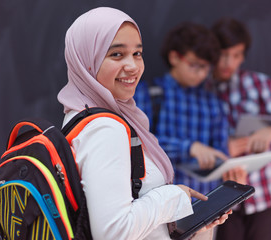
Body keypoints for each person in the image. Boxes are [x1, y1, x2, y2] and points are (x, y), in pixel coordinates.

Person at [57, 7, 230, 240]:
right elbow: (113, 233)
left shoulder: (79, 115)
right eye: (116, 54)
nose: (133, 66)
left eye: (137, 53)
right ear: (87, 60)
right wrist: (173, 196)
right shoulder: (105, 128)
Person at [207, 17, 271, 240]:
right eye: (223, 54)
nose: (228, 62)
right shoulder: (199, 89)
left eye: (236, 55)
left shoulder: (260, 84)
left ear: (243, 56)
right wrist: (220, 149)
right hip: (222, 200)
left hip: (265, 194)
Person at [136, 22, 230, 196]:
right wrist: (188, 148)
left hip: (204, 202)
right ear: (174, 58)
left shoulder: (212, 102)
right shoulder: (147, 94)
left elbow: (221, 151)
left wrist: (225, 165)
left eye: (206, 67)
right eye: (194, 65)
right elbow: (137, 144)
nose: (201, 74)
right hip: (158, 204)